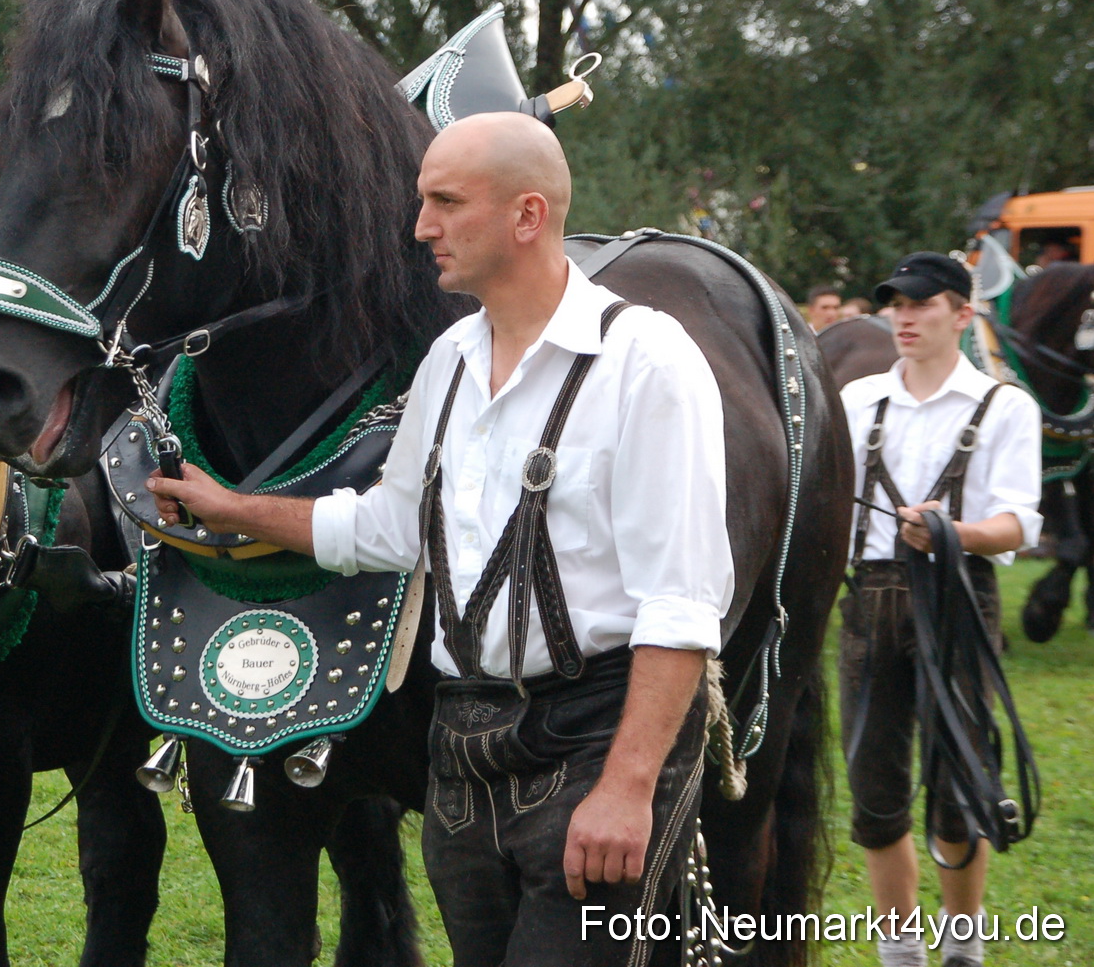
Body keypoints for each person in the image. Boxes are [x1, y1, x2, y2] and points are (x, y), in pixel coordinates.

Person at [148, 112, 734, 966]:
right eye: (423, 200)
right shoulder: (449, 358)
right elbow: (388, 528)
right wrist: (239, 509)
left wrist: (629, 786)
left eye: (446, 202)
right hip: (462, 759)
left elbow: (680, 604)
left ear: (527, 215)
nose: (420, 226)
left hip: (593, 745)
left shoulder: (647, 361)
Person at [839, 252, 1041, 967]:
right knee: (873, 791)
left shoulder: (1005, 405)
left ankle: (963, 944)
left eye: (921, 304)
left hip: (960, 599)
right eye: (895, 303)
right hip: (868, 604)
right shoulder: (858, 400)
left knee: (959, 784)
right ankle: (901, 952)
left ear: (962, 313)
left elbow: (1019, 522)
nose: (904, 315)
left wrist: (956, 531)